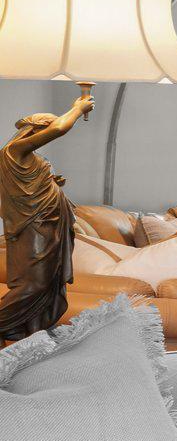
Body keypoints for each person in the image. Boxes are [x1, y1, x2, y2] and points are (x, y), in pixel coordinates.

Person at [0, 88, 95, 342]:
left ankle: (32, 335)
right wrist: (77, 108)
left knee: (49, 283)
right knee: (34, 284)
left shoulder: (31, 157)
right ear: (36, 130)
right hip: (32, 227)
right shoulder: (13, 151)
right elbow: (60, 128)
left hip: (50, 225)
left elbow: (28, 185)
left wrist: (49, 183)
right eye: (46, 130)